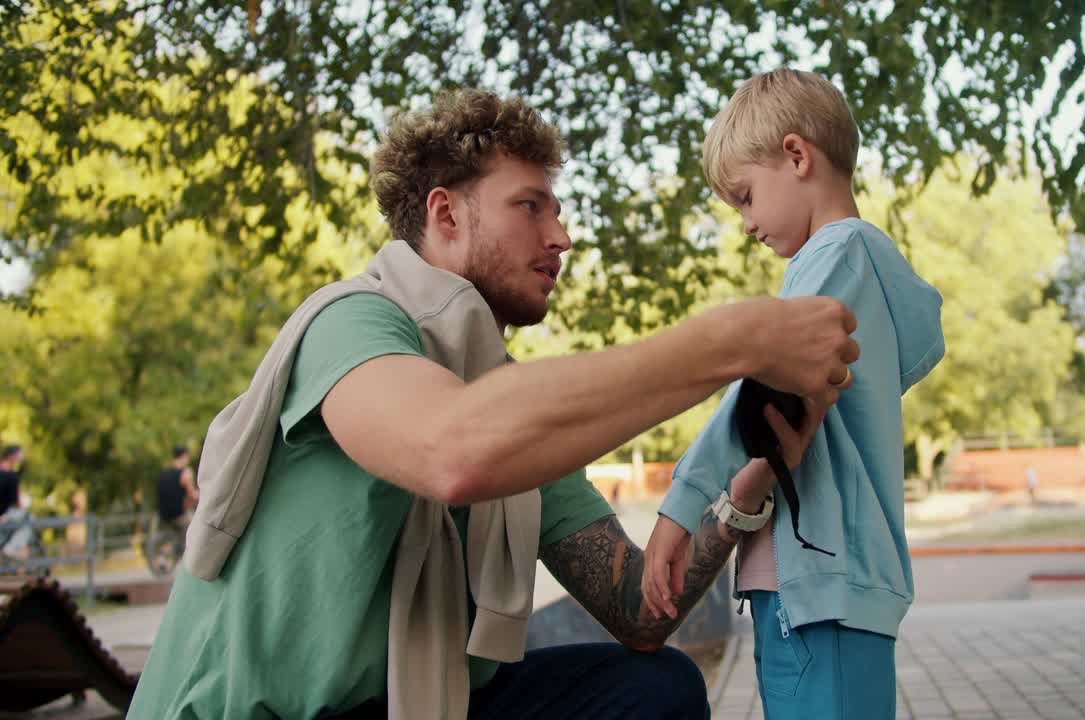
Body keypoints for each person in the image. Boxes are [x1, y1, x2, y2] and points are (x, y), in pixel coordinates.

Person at [127, 88, 859, 720]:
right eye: (529, 206)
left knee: (652, 688)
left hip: (410, 704)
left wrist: (746, 491)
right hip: (261, 711)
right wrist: (733, 339)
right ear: (445, 216)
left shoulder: (508, 416)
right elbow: (451, 451)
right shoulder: (351, 324)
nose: (561, 237)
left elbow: (640, 611)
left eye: (557, 210)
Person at [642, 69, 945, 720]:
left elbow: (761, 395)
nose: (747, 223)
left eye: (747, 197)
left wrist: (682, 504)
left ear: (797, 155)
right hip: (819, 587)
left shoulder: (837, 253)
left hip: (818, 590)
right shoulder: (858, 266)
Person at [155, 446, 198, 532]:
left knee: (165, 541)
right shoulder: (185, 473)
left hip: (164, 517)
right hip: (180, 517)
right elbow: (192, 496)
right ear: (184, 456)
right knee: (196, 532)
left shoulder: (163, 473)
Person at [0, 445, 32, 562]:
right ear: (12, 457)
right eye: (19, 456)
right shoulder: (11, 477)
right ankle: (10, 548)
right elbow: (18, 503)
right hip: (3, 517)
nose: (21, 459)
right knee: (28, 518)